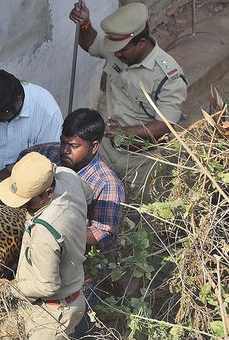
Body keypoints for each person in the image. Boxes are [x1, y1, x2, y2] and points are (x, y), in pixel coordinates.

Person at [0, 152, 91, 340]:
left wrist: (8, 290)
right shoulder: (67, 176)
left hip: (55, 310)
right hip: (30, 303)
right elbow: (89, 194)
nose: (23, 207)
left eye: (28, 202)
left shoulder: (46, 232)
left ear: (47, 193)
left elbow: (47, 286)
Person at [69, 1, 187, 199]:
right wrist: (85, 24)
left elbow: (167, 124)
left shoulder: (168, 77)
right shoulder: (120, 49)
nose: (116, 54)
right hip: (106, 148)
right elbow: (91, 43)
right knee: (91, 199)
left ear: (141, 43)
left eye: (122, 50)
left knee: (139, 212)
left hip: (141, 160)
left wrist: (125, 132)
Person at [19, 108, 125, 250]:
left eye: (74, 146)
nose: (64, 150)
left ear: (94, 147)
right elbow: (20, 161)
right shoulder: (50, 153)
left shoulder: (107, 184)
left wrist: (52, 228)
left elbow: (103, 235)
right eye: (63, 142)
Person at [0, 69, 63, 175]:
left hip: (30, 181)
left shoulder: (46, 110)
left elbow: (50, 162)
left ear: (18, 101)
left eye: (0, 113)